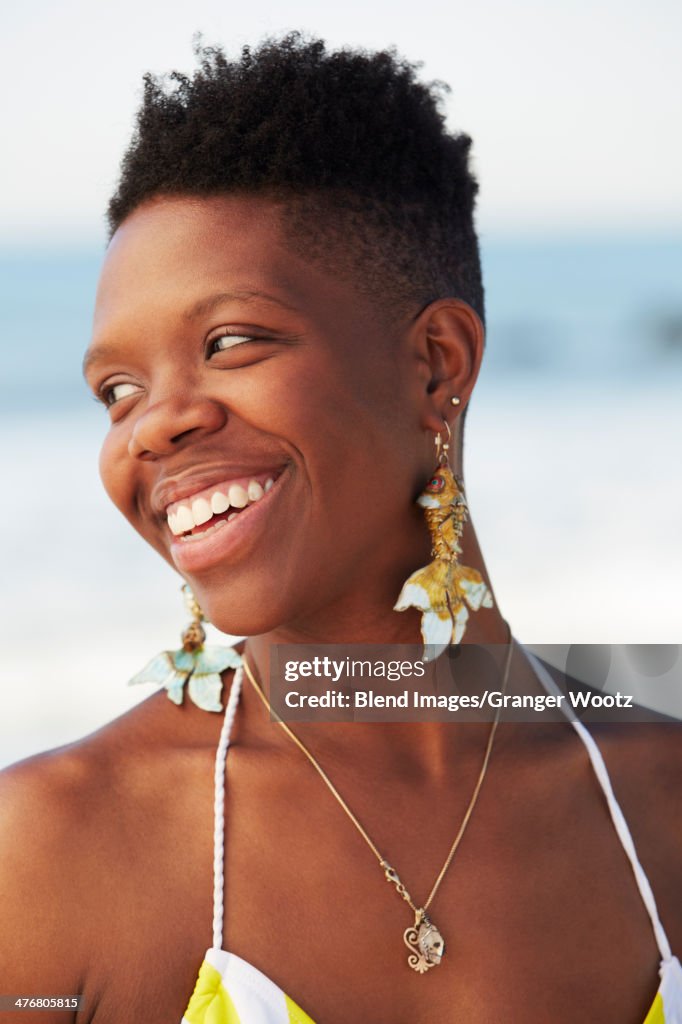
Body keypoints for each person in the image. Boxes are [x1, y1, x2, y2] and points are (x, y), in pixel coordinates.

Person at [1, 33, 680, 1024]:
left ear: (436, 365)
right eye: (118, 389)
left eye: (229, 342)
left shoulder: (661, 809)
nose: (153, 423)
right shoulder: (51, 853)